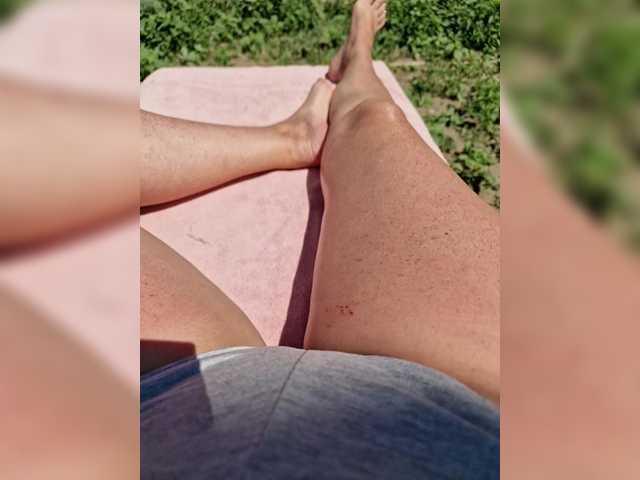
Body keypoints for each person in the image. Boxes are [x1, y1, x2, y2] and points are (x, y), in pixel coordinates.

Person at [140, 1, 500, 478]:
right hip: (461, 406)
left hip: (169, 398)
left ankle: (336, 82)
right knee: (373, 122)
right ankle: (333, 90)